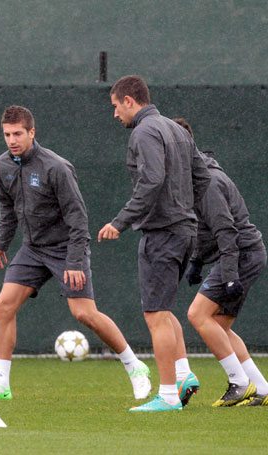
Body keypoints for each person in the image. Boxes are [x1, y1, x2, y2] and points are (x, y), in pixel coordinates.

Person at [0, 105, 151, 402]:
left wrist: (75, 261)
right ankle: (1, 383)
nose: (12, 140)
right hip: (32, 249)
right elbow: (7, 209)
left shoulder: (56, 167)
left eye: (18, 134)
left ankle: (135, 366)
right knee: (3, 304)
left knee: (84, 313)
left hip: (65, 248)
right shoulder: (2, 165)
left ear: (32, 132)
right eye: (7, 134)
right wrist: (1, 243)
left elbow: (78, 218)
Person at [98, 76, 212, 412]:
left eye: (116, 106)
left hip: (163, 234)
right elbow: (203, 176)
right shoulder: (176, 129)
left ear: (129, 101)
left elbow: (151, 180)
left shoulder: (144, 131)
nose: (115, 114)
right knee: (164, 309)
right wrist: (184, 209)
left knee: (155, 313)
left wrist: (120, 222)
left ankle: (167, 395)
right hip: (184, 230)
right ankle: (183, 374)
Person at [173, 117, 268, 407]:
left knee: (197, 314)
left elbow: (226, 230)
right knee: (219, 326)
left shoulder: (208, 182)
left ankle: (238, 383)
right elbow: (206, 230)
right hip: (245, 254)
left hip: (241, 254)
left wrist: (229, 276)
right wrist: (197, 262)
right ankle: (262, 389)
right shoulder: (196, 178)